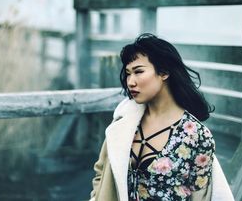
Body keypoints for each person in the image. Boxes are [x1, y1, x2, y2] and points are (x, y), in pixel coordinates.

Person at [89, 33, 234, 201]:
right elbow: (102, 173)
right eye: (128, 73)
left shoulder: (196, 136)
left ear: (164, 72)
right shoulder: (125, 120)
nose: (130, 82)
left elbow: (200, 196)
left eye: (138, 71)